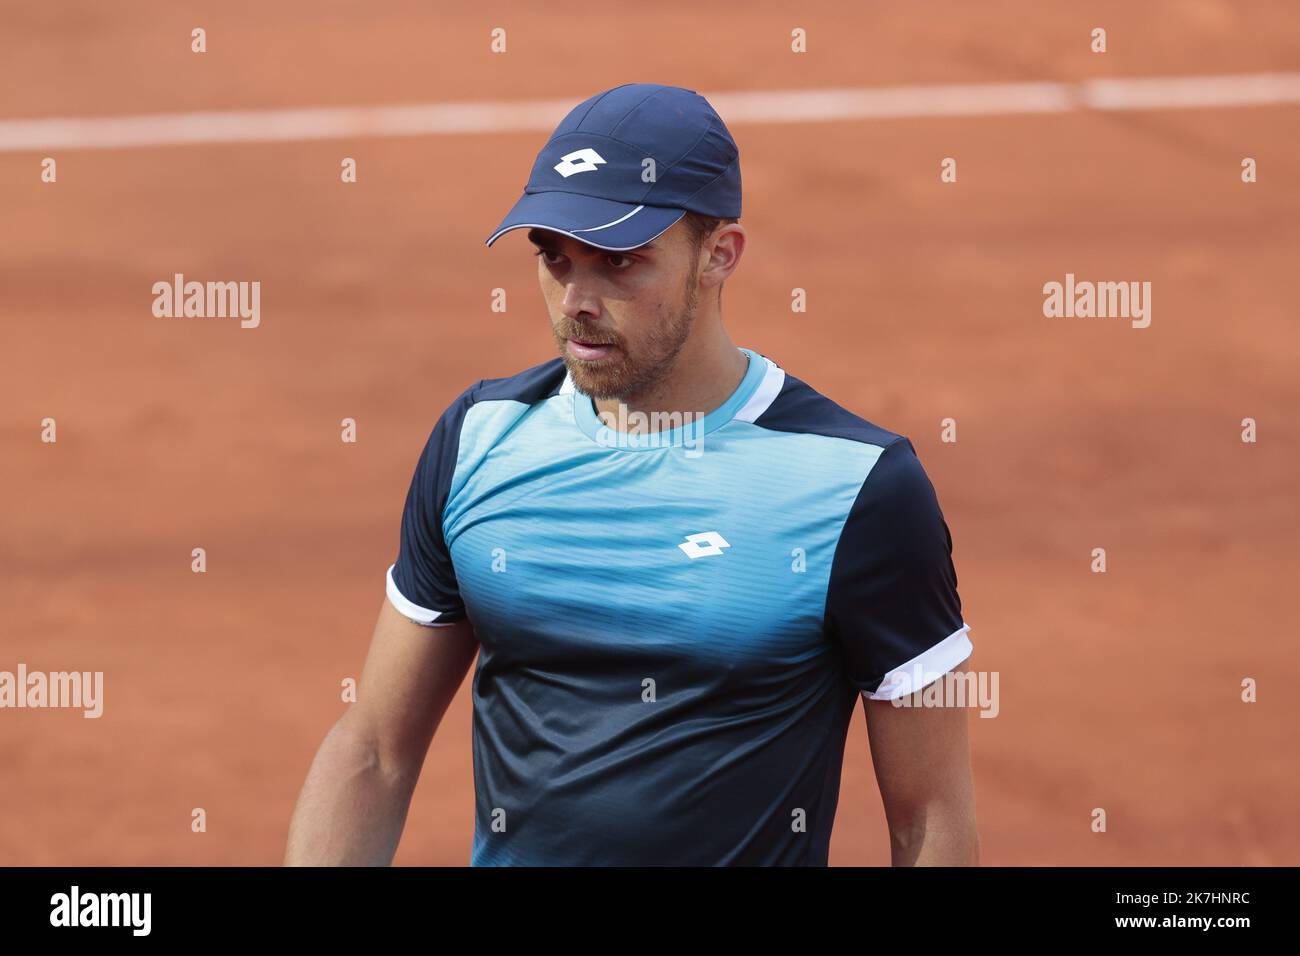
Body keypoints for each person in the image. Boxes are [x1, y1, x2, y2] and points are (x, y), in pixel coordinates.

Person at [285, 83, 979, 866]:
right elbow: (374, 752)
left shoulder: (857, 486)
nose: (577, 300)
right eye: (554, 257)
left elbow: (929, 819)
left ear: (720, 254)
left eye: (620, 261)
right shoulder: (478, 440)